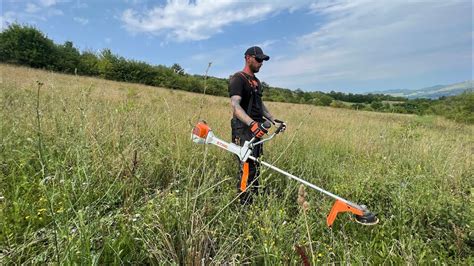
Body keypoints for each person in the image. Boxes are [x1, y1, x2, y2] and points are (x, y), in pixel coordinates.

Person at [228, 46, 286, 204]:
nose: (261, 63)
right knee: (246, 164)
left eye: (263, 60)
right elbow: (235, 105)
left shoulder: (257, 82)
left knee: (256, 162)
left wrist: (273, 120)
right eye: (258, 59)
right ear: (248, 58)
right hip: (243, 128)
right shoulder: (238, 78)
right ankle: (244, 202)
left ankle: (254, 194)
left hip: (257, 129)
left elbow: (259, 105)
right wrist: (251, 123)